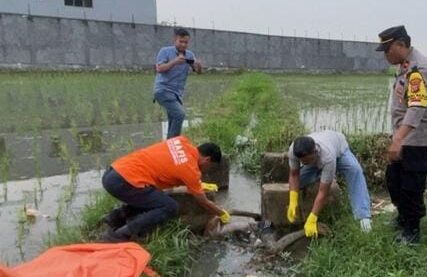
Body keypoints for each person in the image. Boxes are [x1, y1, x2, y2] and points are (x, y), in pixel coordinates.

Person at [101, 135, 229, 242]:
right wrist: (221, 213)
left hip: (113, 172)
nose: (207, 171)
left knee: (154, 196)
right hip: (124, 183)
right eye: (210, 167)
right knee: (169, 206)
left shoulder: (181, 141)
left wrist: (196, 185)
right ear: (207, 160)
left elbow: (172, 166)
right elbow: (203, 201)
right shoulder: (191, 170)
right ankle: (121, 234)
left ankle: (115, 217)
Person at [376, 25, 427, 244]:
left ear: (401, 45)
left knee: (411, 187)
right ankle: (403, 217)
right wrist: (396, 137)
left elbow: (416, 107)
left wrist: (398, 139)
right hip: (403, 139)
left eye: (387, 50)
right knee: (393, 180)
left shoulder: (418, 70)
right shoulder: (405, 66)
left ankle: (412, 232)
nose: (385, 55)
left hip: (416, 141)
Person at [286, 130, 372, 238]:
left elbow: (323, 192)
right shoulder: (293, 151)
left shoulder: (328, 156)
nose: (304, 163)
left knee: (355, 170)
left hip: (339, 149)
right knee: (300, 182)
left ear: (315, 152)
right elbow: (294, 175)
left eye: (307, 161)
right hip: (319, 159)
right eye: (303, 162)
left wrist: (313, 218)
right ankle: (322, 173)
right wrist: (293, 201)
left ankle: (363, 217)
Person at [153, 28, 202, 139]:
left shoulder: (189, 55)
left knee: (173, 119)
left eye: (186, 42)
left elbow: (197, 71)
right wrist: (175, 61)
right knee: (180, 114)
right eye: (181, 41)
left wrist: (199, 66)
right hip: (163, 90)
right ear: (175, 39)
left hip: (177, 94)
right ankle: (172, 145)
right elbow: (159, 68)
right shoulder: (165, 51)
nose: (184, 45)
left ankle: (169, 145)